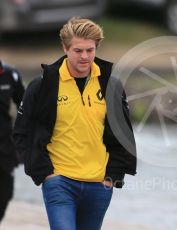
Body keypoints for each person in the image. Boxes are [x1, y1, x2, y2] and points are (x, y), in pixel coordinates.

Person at [13, 18, 137, 230]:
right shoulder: (42, 85)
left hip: (99, 185)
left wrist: (112, 177)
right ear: (65, 48)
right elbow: (21, 133)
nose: (85, 57)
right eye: (78, 50)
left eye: (90, 50)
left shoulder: (111, 85)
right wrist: (44, 174)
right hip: (59, 181)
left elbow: (123, 133)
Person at [0, 60, 25, 222]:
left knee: (5, 193)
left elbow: (26, 106)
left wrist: (21, 137)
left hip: (4, 147)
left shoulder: (10, 74)